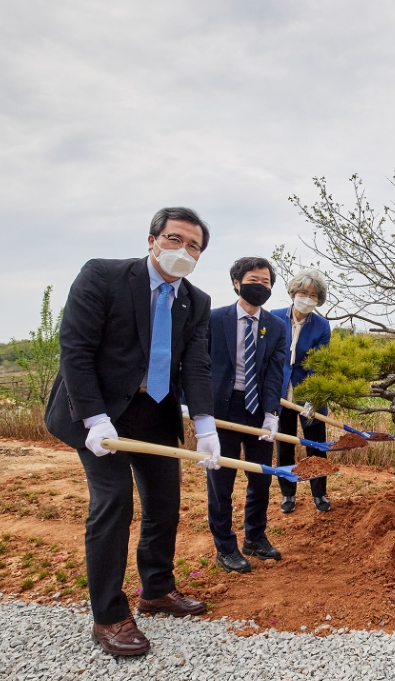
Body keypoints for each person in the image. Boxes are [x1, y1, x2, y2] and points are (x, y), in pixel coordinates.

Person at [45, 207, 220, 656]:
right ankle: (108, 616)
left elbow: (195, 366)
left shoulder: (195, 301)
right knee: (114, 501)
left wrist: (204, 425)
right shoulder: (103, 277)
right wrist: (94, 418)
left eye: (194, 245)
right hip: (97, 411)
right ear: (152, 239)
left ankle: (157, 590)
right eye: (175, 239)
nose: (184, 250)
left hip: (155, 411)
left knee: (164, 502)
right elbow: (76, 349)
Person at [206, 257, 288, 573]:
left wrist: (272, 413)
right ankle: (225, 547)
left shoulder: (276, 326)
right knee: (221, 481)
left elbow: (273, 374)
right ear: (237, 282)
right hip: (221, 410)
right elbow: (196, 363)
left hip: (257, 409)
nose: (260, 286)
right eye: (254, 279)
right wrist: (194, 406)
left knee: (261, 477)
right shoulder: (213, 319)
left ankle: (254, 537)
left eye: (266, 282)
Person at [271, 269, 333, 513]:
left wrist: (313, 398)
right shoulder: (274, 318)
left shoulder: (321, 325)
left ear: (319, 300)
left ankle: (320, 494)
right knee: (284, 444)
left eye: (314, 295)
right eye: (303, 292)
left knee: (316, 446)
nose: (307, 298)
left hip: (309, 395)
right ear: (293, 293)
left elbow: (318, 364)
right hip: (280, 394)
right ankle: (288, 494)